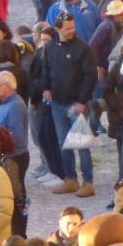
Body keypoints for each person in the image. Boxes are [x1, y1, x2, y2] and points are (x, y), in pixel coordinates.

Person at [33, 11, 98, 197]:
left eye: (72, 27)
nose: (71, 30)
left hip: (76, 104)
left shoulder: (83, 48)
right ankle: (70, 178)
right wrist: (45, 87)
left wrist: (82, 101)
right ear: (58, 29)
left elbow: (90, 76)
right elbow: (46, 68)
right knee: (64, 142)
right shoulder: (51, 47)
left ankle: (88, 181)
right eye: (67, 28)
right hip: (57, 103)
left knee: (81, 144)